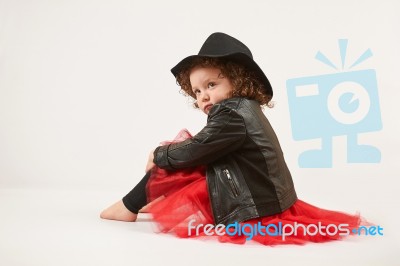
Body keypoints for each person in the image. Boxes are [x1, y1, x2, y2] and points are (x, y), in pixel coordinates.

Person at [100, 32, 365, 245]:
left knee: (177, 156)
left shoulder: (232, 114)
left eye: (211, 85)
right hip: (263, 196)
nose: (202, 95)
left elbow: (196, 150)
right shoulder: (242, 109)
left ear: (238, 81)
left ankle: (129, 206)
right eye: (197, 90)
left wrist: (158, 154)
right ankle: (156, 203)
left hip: (255, 209)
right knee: (183, 152)